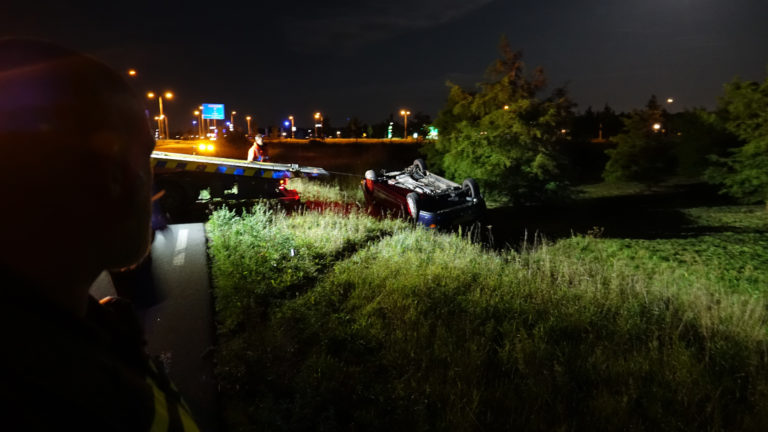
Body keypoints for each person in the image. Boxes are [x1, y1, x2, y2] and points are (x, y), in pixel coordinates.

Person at [0, 38, 200, 431]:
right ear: (115, 177)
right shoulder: (73, 395)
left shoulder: (73, 336)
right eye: (146, 156)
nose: (151, 181)